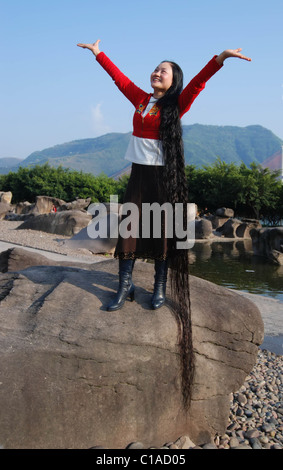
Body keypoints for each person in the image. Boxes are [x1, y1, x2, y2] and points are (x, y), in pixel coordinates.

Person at [77, 39, 251, 408]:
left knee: (162, 233)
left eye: (164, 70)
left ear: (173, 81)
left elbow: (198, 84)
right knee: (129, 230)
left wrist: (219, 59)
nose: (157, 72)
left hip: (165, 178)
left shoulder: (176, 104)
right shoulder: (141, 99)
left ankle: (158, 288)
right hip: (139, 176)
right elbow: (119, 80)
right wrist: (98, 54)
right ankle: (123, 289)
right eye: (156, 68)